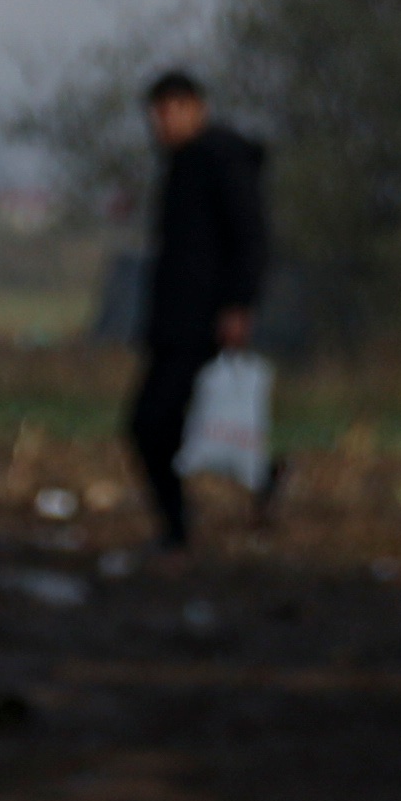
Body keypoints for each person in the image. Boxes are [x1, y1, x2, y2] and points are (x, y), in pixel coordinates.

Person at [124, 69, 268, 549]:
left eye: (169, 110)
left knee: (152, 421)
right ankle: (255, 481)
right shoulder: (181, 166)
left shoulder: (220, 160)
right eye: (156, 113)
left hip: (201, 322)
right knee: (173, 421)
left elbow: (250, 238)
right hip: (176, 320)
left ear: (194, 108)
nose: (161, 122)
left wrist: (238, 305)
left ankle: (177, 530)